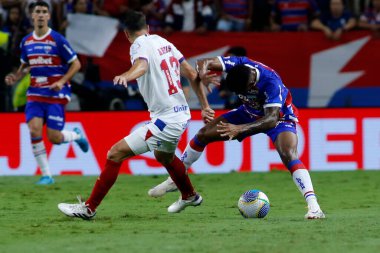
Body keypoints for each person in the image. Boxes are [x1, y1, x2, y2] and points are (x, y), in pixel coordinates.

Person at [57, 10, 215, 219]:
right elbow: (192, 74)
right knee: (164, 156)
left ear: (126, 33)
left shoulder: (138, 45)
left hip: (165, 121)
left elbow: (142, 65)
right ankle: (189, 195)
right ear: (148, 28)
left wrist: (126, 75)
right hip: (181, 115)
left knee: (115, 153)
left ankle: (88, 208)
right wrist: (204, 106)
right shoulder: (162, 40)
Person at [149, 56, 326, 219]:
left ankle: (314, 207)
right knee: (202, 135)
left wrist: (240, 128)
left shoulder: (271, 82)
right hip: (248, 113)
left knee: (288, 154)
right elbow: (204, 62)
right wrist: (202, 74)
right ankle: (175, 180)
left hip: (279, 117)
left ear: (251, 85)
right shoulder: (237, 63)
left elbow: (270, 120)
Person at [4, 1, 88, 185]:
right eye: (38, 12)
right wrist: (15, 77)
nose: (41, 15)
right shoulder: (26, 41)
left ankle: (76, 136)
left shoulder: (57, 39)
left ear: (48, 16)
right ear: (32, 16)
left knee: (54, 138)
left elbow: (76, 64)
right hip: (35, 93)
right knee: (34, 130)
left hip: (55, 94)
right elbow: (26, 66)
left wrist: (61, 81)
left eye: (44, 12)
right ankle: (47, 175)